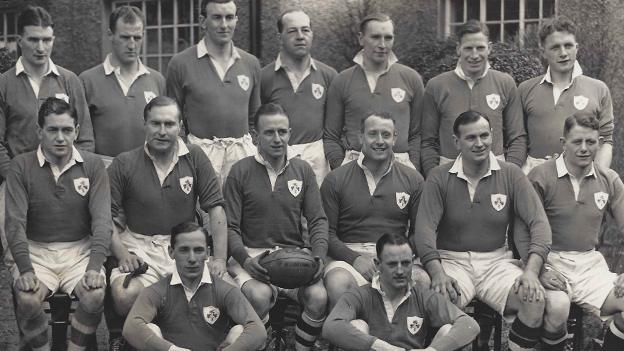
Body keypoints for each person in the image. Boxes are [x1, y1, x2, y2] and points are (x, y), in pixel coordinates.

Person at [413, 110, 569, 351]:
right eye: (471, 138)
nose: (479, 143)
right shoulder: (439, 177)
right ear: (456, 142)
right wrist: (437, 272)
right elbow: (424, 230)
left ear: (493, 136)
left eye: (484, 136)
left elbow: (539, 223)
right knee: (438, 302)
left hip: (496, 262)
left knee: (533, 299)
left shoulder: (511, 174)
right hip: (452, 262)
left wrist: (531, 270)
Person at [107, 96, 228, 348]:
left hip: (184, 248)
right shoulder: (124, 162)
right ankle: (135, 337)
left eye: (170, 124)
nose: (162, 131)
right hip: (140, 245)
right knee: (124, 296)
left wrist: (219, 258)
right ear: (144, 124)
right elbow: (102, 218)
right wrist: (121, 254)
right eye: (156, 124)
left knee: (224, 294)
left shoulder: (195, 157)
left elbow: (216, 210)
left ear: (181, 126)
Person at [5, 97, 110, 351]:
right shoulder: (21, 165)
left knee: (94, 295)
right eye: (53, 130)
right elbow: (14, 223)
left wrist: (95, 266)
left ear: (76, 131)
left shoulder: (93, 165)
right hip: (36, 250)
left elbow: (102, 220)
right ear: (40, 131)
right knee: (28, 301)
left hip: (79, 251)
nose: (60, 137)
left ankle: (75, 348)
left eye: (67, 130)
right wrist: (26, 268)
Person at [224, 103, 328, 351]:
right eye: (269, 132)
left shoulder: (302, 170)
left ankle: (299, 347)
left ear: (290, 133)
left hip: (293, 257)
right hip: (252, 256)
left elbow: (318, 220)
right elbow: (229, 227)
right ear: (255, 135)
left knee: (319, 297)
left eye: (282, 132)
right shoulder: (240, 171)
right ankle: (269, 340)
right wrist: (245, 260)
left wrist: (319, 257)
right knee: (258, 296)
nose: (277, 139)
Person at [516, 115, 624, 351]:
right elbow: (521, 228)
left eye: (591, 142)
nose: (584, 148)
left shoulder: (609, 179)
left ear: (600, 142)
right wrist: (537, 269)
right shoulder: (540, 176)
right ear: (563, 142)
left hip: (589, 264)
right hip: (550, 260)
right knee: (558, 308)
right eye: (577, 142)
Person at [0, 5, 94, 256]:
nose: (40, 48)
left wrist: (70, 175)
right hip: (19, 180)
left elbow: (84, 138)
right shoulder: (4, 84)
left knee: (73, 250)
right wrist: (16, 178)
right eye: (33, 40)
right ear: (19, 41)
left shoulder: (69, 80)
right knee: (19, 257)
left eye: (46, 40)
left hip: (66, 177)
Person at [321, 112, 425, 307]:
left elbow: (419, 233)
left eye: (386, 135)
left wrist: (394, 258)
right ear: (360, 137)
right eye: (372, 134)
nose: (379, 141)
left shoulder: (413, 180)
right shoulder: (335, 179)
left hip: (396, 257)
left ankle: (402, 336)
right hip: (348, 257)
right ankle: (347, 334)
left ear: (395, 138)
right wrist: (355, 259)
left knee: (422, 281)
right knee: (338, 283)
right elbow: (326, 233)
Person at [123, 221, 266, 351]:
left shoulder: (224, 290)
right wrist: (172, 350)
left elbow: (258, 330)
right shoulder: (157, 290)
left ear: (207, 253)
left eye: (198, 250)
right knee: (150, 328)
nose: (192, 259)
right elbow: (131, 328)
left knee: (239, 331)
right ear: (171, 252)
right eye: (184, 250)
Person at [323, 233, 479, 351]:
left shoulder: (423, 295)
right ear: (378, 264)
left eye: (405, 263)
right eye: (392, 264)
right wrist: (380, 347)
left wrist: (431, 350)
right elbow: (331, 326)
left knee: (448, 330)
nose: (400, 271)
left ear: (412, 261)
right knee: (357, 325)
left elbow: (469, 325)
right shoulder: (361, 295)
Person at [167, 0, 261, 185]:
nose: (224, 25)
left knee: (244, 213)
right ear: (203, 21)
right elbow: (172, 120)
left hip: (242, 155)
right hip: (201, 155)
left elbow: (255, 118)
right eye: (217, 17)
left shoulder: (251, 63)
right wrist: (187, 153)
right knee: (204, 214)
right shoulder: (180, 63)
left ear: (236, 20)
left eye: (229, 17)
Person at [420, 19, 526, 177]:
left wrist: (508, 175)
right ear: (458, 49)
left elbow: (517, 137)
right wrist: (434, 176)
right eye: (468, 48)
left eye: (480, 48)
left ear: (489, 48)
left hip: (496, 174)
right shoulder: (436, 86)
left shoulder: (505, 83)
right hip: (449, 174)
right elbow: (428, 141)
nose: (474, 55)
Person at [323, 13, 424, 172]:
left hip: (400, 165)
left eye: (388, 38)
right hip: (355, 165)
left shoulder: (411, 78)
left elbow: (417, 135)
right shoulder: (342, 81)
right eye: (375, 37)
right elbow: (330, 136)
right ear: (361, 38)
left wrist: (412, 169)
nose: (382, 44)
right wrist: (341, 170)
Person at [518, 16, 614, 173]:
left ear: (577, 48)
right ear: (543, 52)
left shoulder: (598, 88)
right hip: (536, 178)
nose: (563, 53)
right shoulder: (525, 89)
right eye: (555, 47)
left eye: (568, 46)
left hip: (582, 175)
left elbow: (605, 141)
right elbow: (518, 139)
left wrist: (596, 178)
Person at [260, 9, 337, 185]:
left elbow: (336, 129)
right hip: (277, 160)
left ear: (312, 34)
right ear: (280, 37)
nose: (300, 36)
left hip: (318, 163)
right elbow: (255, 124)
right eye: (292, 31)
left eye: (305, 30)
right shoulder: (263, 77)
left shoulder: (329, 76)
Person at [80, 5, 165, 162]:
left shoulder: (157, 80)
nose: (132, 45)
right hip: (104, 171)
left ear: (144, 36)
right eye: (125, 37)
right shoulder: (87, 80)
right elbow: (81, 138)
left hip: (148, 169)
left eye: (137, 38)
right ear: (110, 35)